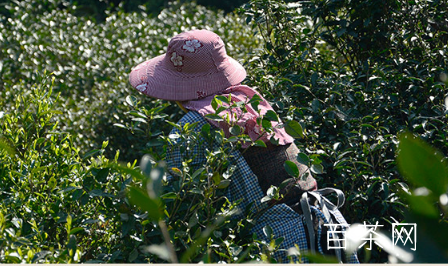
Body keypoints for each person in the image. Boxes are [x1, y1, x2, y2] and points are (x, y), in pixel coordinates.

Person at [129, 29, 358, 263]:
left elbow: (183, 208)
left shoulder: (193, 126)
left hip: (280, 242)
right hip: (326, 224)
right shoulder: (248, 99)